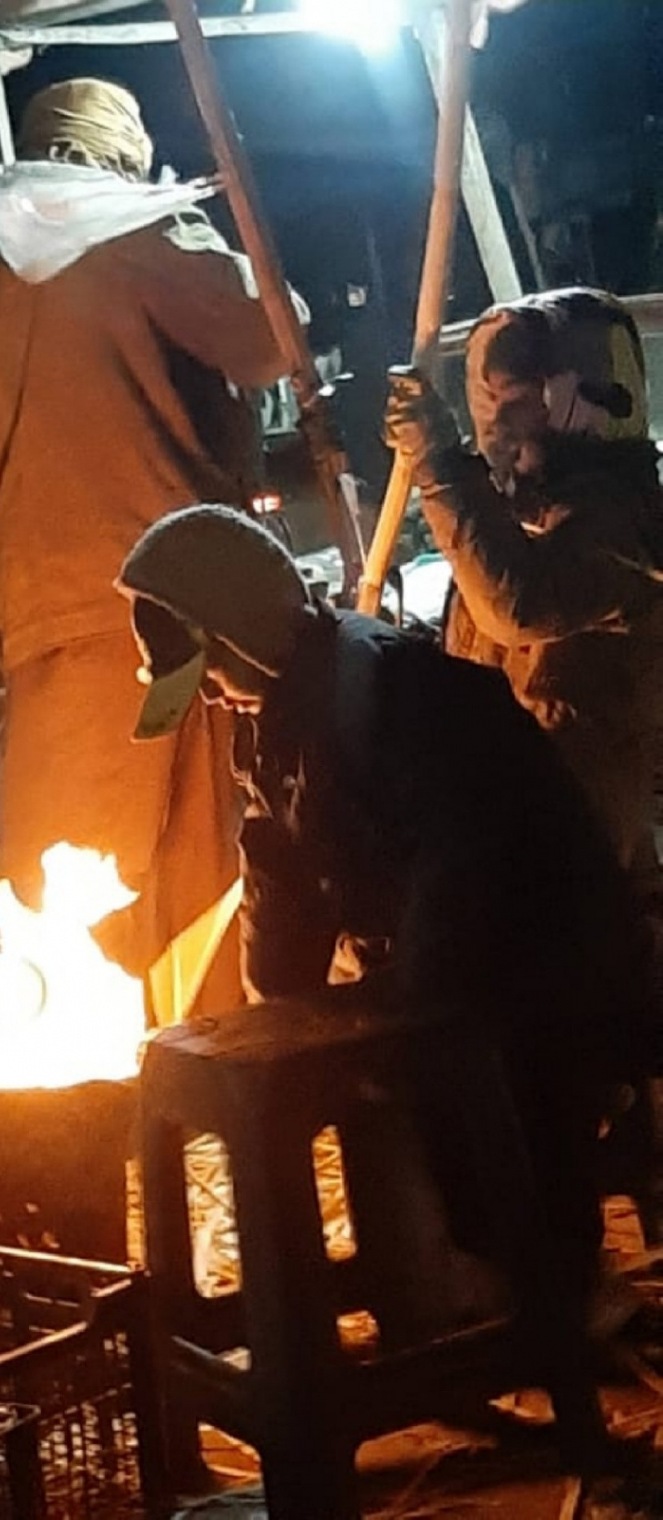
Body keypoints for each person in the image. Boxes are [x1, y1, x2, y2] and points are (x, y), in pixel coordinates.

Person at [117, 503, 655, 1352]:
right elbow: (278, 885)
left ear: (241, 628)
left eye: (211, 667)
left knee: (489, 1092)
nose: (211, 693)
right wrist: (277, 1024)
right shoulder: (272, 725)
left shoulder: (396, 691)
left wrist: (410, 1008)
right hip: (442, 963)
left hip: (549, 953)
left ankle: (556, 1295)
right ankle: (442, 1300)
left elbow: (468, 855)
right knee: (382, 1085)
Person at [0, 77, 298, 1022]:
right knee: (198, 877)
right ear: (114, 157)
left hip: (43, 622)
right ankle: (208, 1106)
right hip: (166, 610)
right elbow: (270, 336)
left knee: (69, 879)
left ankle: (94, 1116)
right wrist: (215, 235)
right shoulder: (117, 229)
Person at [383, 287, 663, 883]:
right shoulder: (517, 515)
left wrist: (437, 464)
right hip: (507, 841)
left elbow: (518, 605)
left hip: (576, 864)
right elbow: (476, 655)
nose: (500, 427)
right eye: (493, 403)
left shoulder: (620, 516)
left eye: (517, 402)